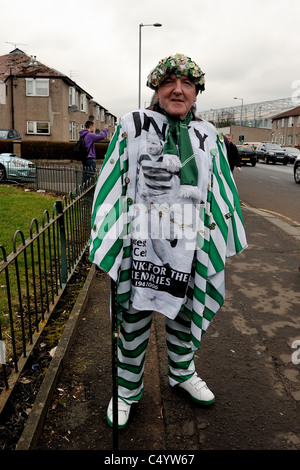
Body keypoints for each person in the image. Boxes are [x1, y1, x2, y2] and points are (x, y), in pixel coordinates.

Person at [89, 53, 247, 429]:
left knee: (184, 312)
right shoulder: (132, 126)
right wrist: (110, 238)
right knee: (134, 317)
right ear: (157, 89)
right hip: (141, 243)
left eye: (187, 84)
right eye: (169, 83)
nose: (178, 90)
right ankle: (126, 391)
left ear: (196, 93)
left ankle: (181, 373)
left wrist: (218, 238)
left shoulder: (208, 136)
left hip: (189, 244)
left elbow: (221, 188)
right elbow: (112, 181)